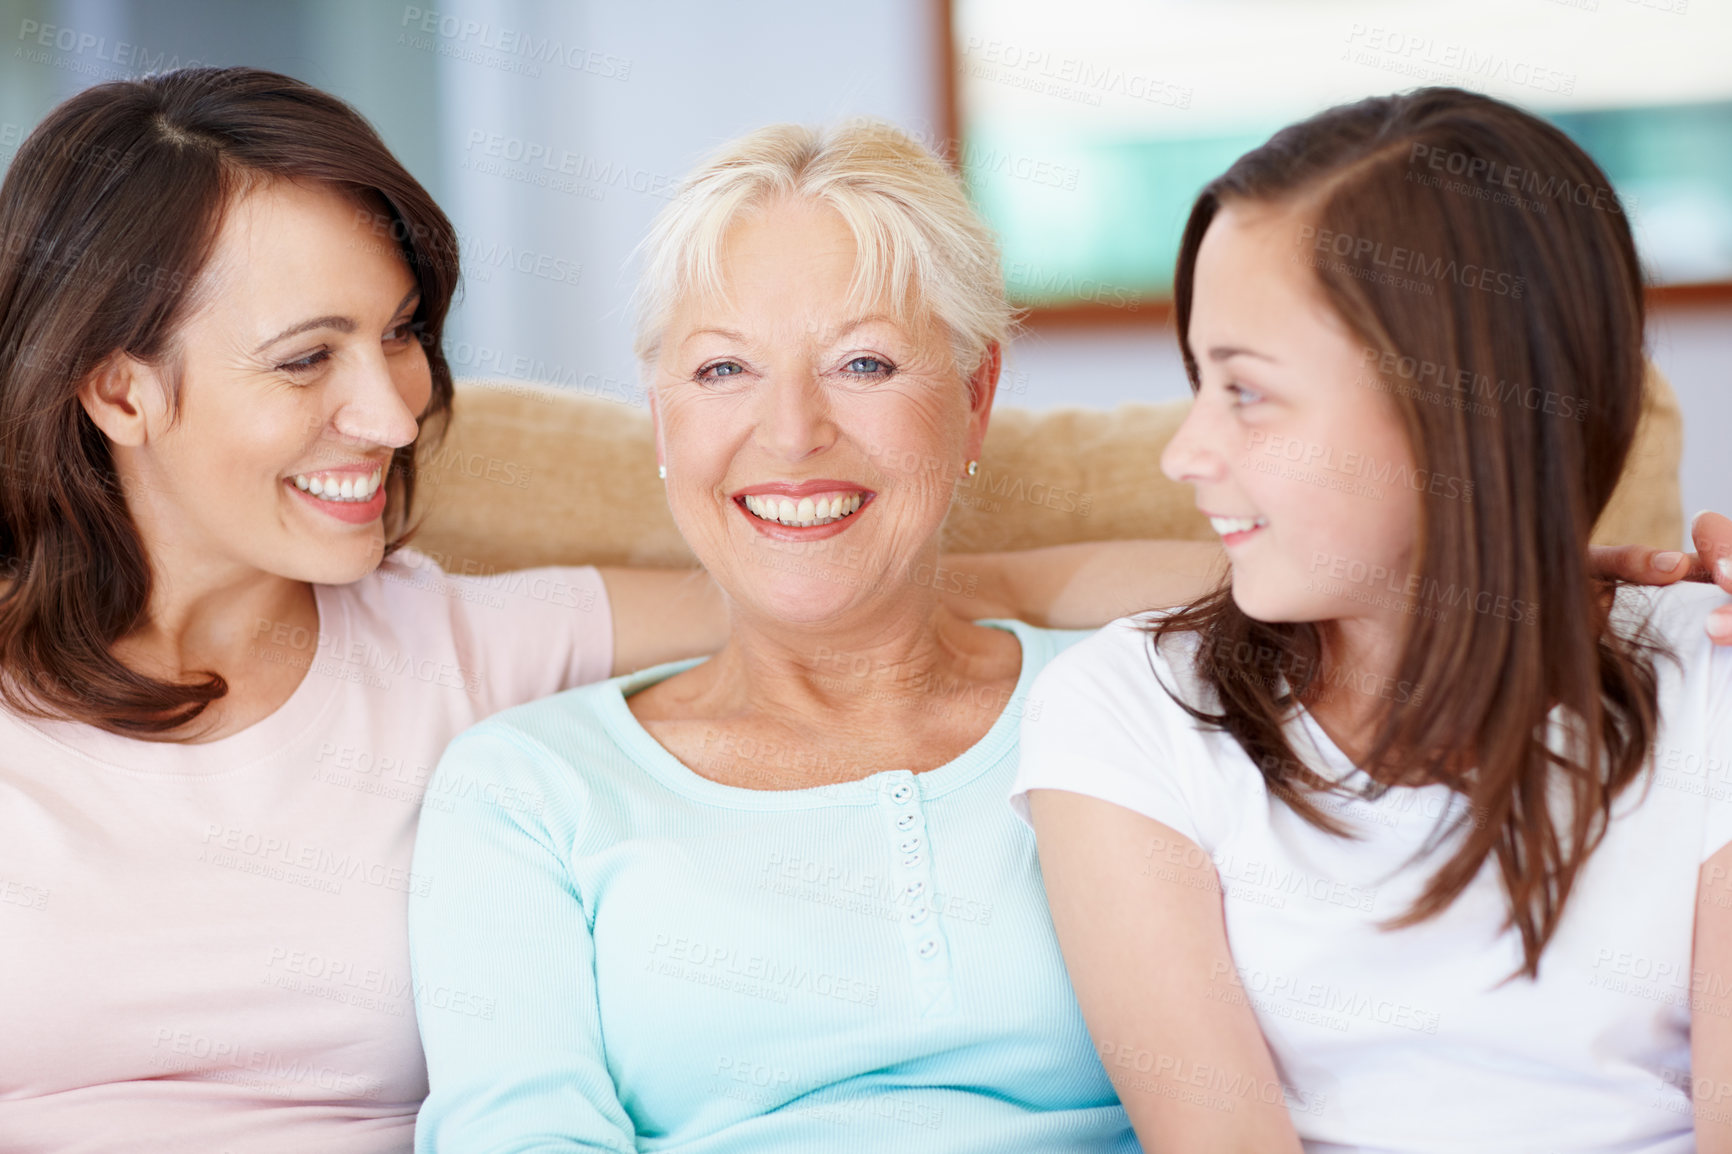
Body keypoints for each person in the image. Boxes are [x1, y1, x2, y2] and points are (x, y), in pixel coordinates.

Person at [0, 69, 1211, 1154]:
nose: (392, 410)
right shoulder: (526, 763)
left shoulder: (466, 649)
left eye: (403, 332)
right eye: (308, 357)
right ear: (118, 388)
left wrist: (909, 559)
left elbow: (811, 585)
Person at [1015, 87, 1732, 1153]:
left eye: (1247, 392)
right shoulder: (1132, 712)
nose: (1185, 452)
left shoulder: (1706, 675)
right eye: (1197, 382)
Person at [407, 120, 1145, 1153]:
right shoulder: (527, 786)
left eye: (864, 362)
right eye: (722, 371)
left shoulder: (1134, 706)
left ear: (974, 400)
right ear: (662, 419)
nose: (792, 431)